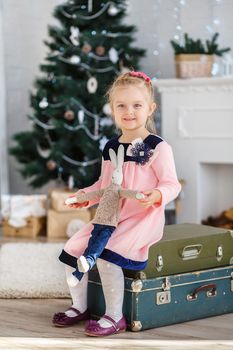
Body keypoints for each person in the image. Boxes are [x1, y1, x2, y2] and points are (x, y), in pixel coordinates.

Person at [53, 71, 182, 337]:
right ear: (112, 110)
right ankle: (80, 306)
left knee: (107, 255)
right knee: (73, 247)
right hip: (110, 215)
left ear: (150, 109)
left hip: (141, 218)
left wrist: (157, 195)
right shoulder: (111, 147)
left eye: (137, 105)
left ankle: (114, 316)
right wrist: (84, 196)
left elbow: (172, 184)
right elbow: (105, 185)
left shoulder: (156, 147)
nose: (129, 111)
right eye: (121, 105)